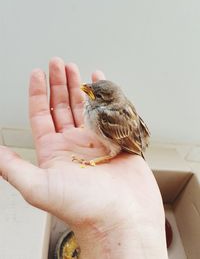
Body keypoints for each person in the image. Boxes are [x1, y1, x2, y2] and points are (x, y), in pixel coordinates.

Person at [0, 57, 168, 258]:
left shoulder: (109, 115)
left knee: (107, 149)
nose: (86, 90)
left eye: (94, 93)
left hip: (125, 143)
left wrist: (93, 162)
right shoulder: (101, 109)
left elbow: (126, 142)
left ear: (106, 100)